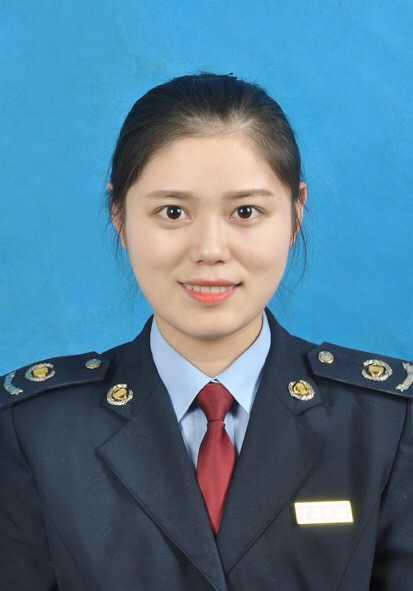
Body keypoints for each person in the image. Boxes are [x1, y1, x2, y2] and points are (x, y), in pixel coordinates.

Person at [0, 72, 412, 591]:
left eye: (246, 211)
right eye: (172, 212)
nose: (210, 249)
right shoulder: (33, 429)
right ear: (119, 216)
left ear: (295, 213)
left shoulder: (388, 423)